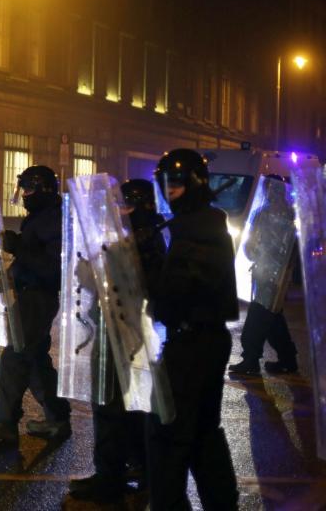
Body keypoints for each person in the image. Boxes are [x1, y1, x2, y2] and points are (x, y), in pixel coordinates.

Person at [146, 148, 238, 510]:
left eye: (177, 185)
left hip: (193, 342)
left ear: (195, 184)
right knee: (203, 432)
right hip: (202, 340)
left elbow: (176, 293)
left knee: (169, 434)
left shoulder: (197, 231)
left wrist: (147, 277)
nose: (170, 192)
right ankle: (221, 502)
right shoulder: (200, 225)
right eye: (165, 184)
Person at [68, 179, 165, 503]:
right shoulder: (143, 236)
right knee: (129, 408)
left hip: (121, 333)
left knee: (110, 406)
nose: (118, 212)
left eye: (124, 205)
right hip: (128, 332)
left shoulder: (139, 241)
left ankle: (110, 479)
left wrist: (91, 265)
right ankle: (138, 469)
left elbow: (98, 279)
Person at [0, 165, 71, 446]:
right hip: (29, 294)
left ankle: (5, 423)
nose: (24, 195)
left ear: (43, 190)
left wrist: (19, 248)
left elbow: (53, 266)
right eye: (22, 189)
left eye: (28, 189)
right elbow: (31, 259)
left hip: (38, 297)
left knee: (15, 358)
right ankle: (57, 418)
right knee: (36, 359)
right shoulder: (41, 217)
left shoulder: (52, 220)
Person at [228, 175, 299, 376]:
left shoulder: (276, 214)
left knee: (259, 317)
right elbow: (252, 244)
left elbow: (253, 244)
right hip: (269, 272)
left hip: (272, 274)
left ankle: (251, 359)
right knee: (272, 317)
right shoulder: (286, 213)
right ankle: (287, 359)